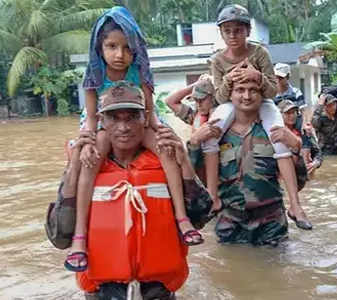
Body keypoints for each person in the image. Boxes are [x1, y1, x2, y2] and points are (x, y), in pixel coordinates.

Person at [66, 7, 201, 274]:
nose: (120, 54)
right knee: (90, 159)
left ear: (135, 49)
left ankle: (182, 218)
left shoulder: (139, 73)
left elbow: (150, 113)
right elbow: (92, 117)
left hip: (139, 120)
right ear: (100, 47)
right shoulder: (94, 75)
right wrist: (87, 141)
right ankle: (79, 234)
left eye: (127, 48)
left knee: (165, 151)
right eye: (112, 46)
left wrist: (163, 134)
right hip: (105, 124)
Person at [74, 83, 206, 300]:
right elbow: (59, 235)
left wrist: (185, 162)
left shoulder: (166, 157)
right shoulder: (88, 161)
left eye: (132, 117)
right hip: (102, 291)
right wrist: (72, 170)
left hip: (158, 289)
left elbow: (201, 216)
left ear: (145, 118)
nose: (124, 127)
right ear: (102, 121)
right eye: (114, 118)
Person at [189, 78, 312, 245]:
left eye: (253, 90)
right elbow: (194, 181)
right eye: (240, 90)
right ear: (229, 96)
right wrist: (194, 144)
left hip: (271, 224)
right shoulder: (214, 134)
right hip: (230, 223)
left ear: (262, 96)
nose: (246, 96)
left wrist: (296, 147)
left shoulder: (275, 132)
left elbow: (300, 183)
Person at [204, 4, 299, 218]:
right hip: (230, 104)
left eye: (238, 30)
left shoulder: (259, 52)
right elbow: (219, 97)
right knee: (208, 137)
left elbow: (273, 91)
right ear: (221, 33)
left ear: (247, 30)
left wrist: (258, 77)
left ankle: (295, 204)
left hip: (262, 102)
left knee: (279, 139)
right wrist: (229, 79)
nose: (233, 35)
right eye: (227, 31)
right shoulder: (217, 60)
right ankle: (213, 196)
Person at [165, 75, 221, 182]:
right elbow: (170, 101)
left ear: (213, 97)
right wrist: (197, 85)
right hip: (198, 172)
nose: (198, 104)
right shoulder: (195, 116)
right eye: (195, 100)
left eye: (202, 99)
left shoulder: (222, 115)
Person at [278, 99, 322, 177]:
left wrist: (315, 163)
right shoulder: (276, 133)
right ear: (280, 115)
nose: (292, 116)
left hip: (304, 174)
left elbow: (318, 153)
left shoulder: (304, 131)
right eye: (288, 113)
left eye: (294, 112)